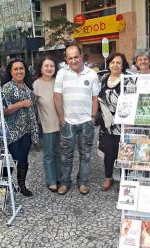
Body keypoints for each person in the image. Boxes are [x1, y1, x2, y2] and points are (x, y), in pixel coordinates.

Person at [54, 43, 99, 195]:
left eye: (76, 57)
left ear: (82, 56)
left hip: (86, 122)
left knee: (86, 155)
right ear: (66, 59)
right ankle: (65, 182)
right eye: (70, 58)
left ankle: (83, 182)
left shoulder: (92, 74)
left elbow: (95, 99)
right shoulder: (62, 74)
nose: (73, 60)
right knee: (66, 156)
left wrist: (92, 118)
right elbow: (57, 97)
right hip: (68, 122)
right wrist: (61, 119)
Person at [2, 58, 39, 197]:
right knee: (13, 158)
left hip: (27, 130)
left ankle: (22, 185)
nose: (19, 71)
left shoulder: (28, 86)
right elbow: (3, 110)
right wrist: (22, 103)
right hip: (12, 131)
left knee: (23, 158)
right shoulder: (7, 87)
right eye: (16, 69)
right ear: (11, 72)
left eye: (21, 68)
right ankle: (5, 183)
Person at [97, 52, 134, 191]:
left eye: (118, 62)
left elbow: (131, 100)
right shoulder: (104, 78)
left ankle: (125, 180)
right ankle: (108, 177)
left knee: (124, 151)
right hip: (107, 123)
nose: (115, 65)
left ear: (123, 65)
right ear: (109, 64)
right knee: (109, 152)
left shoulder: (128, 80)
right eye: (112, 62)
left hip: (123, 123)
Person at [33, 56, 61, 193]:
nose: (49, 68)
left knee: (59, 153)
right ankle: (51, 180)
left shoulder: (59, 82)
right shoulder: (36, 84)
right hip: (47, 124)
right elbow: (33, 106)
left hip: (62, 123)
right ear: (41, 68)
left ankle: (60, 178)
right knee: (49, 154)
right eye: (46, 66)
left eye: (52, 66)